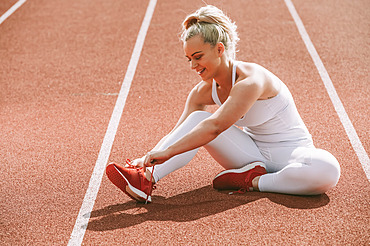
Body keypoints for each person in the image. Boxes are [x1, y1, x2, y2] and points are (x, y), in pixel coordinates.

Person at [106, 5, 341, 203]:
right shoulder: (201, 93)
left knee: (328, 169)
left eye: (198, 57)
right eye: (189, 59)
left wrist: (167, 152)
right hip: (250, 156)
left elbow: (216, 127)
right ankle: (145, 177)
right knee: (198, 119)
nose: (193, 66)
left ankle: (253, 181)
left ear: (219, 49)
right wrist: (147, 159)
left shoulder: (252, 80)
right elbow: (180, 132)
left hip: (292, 153)